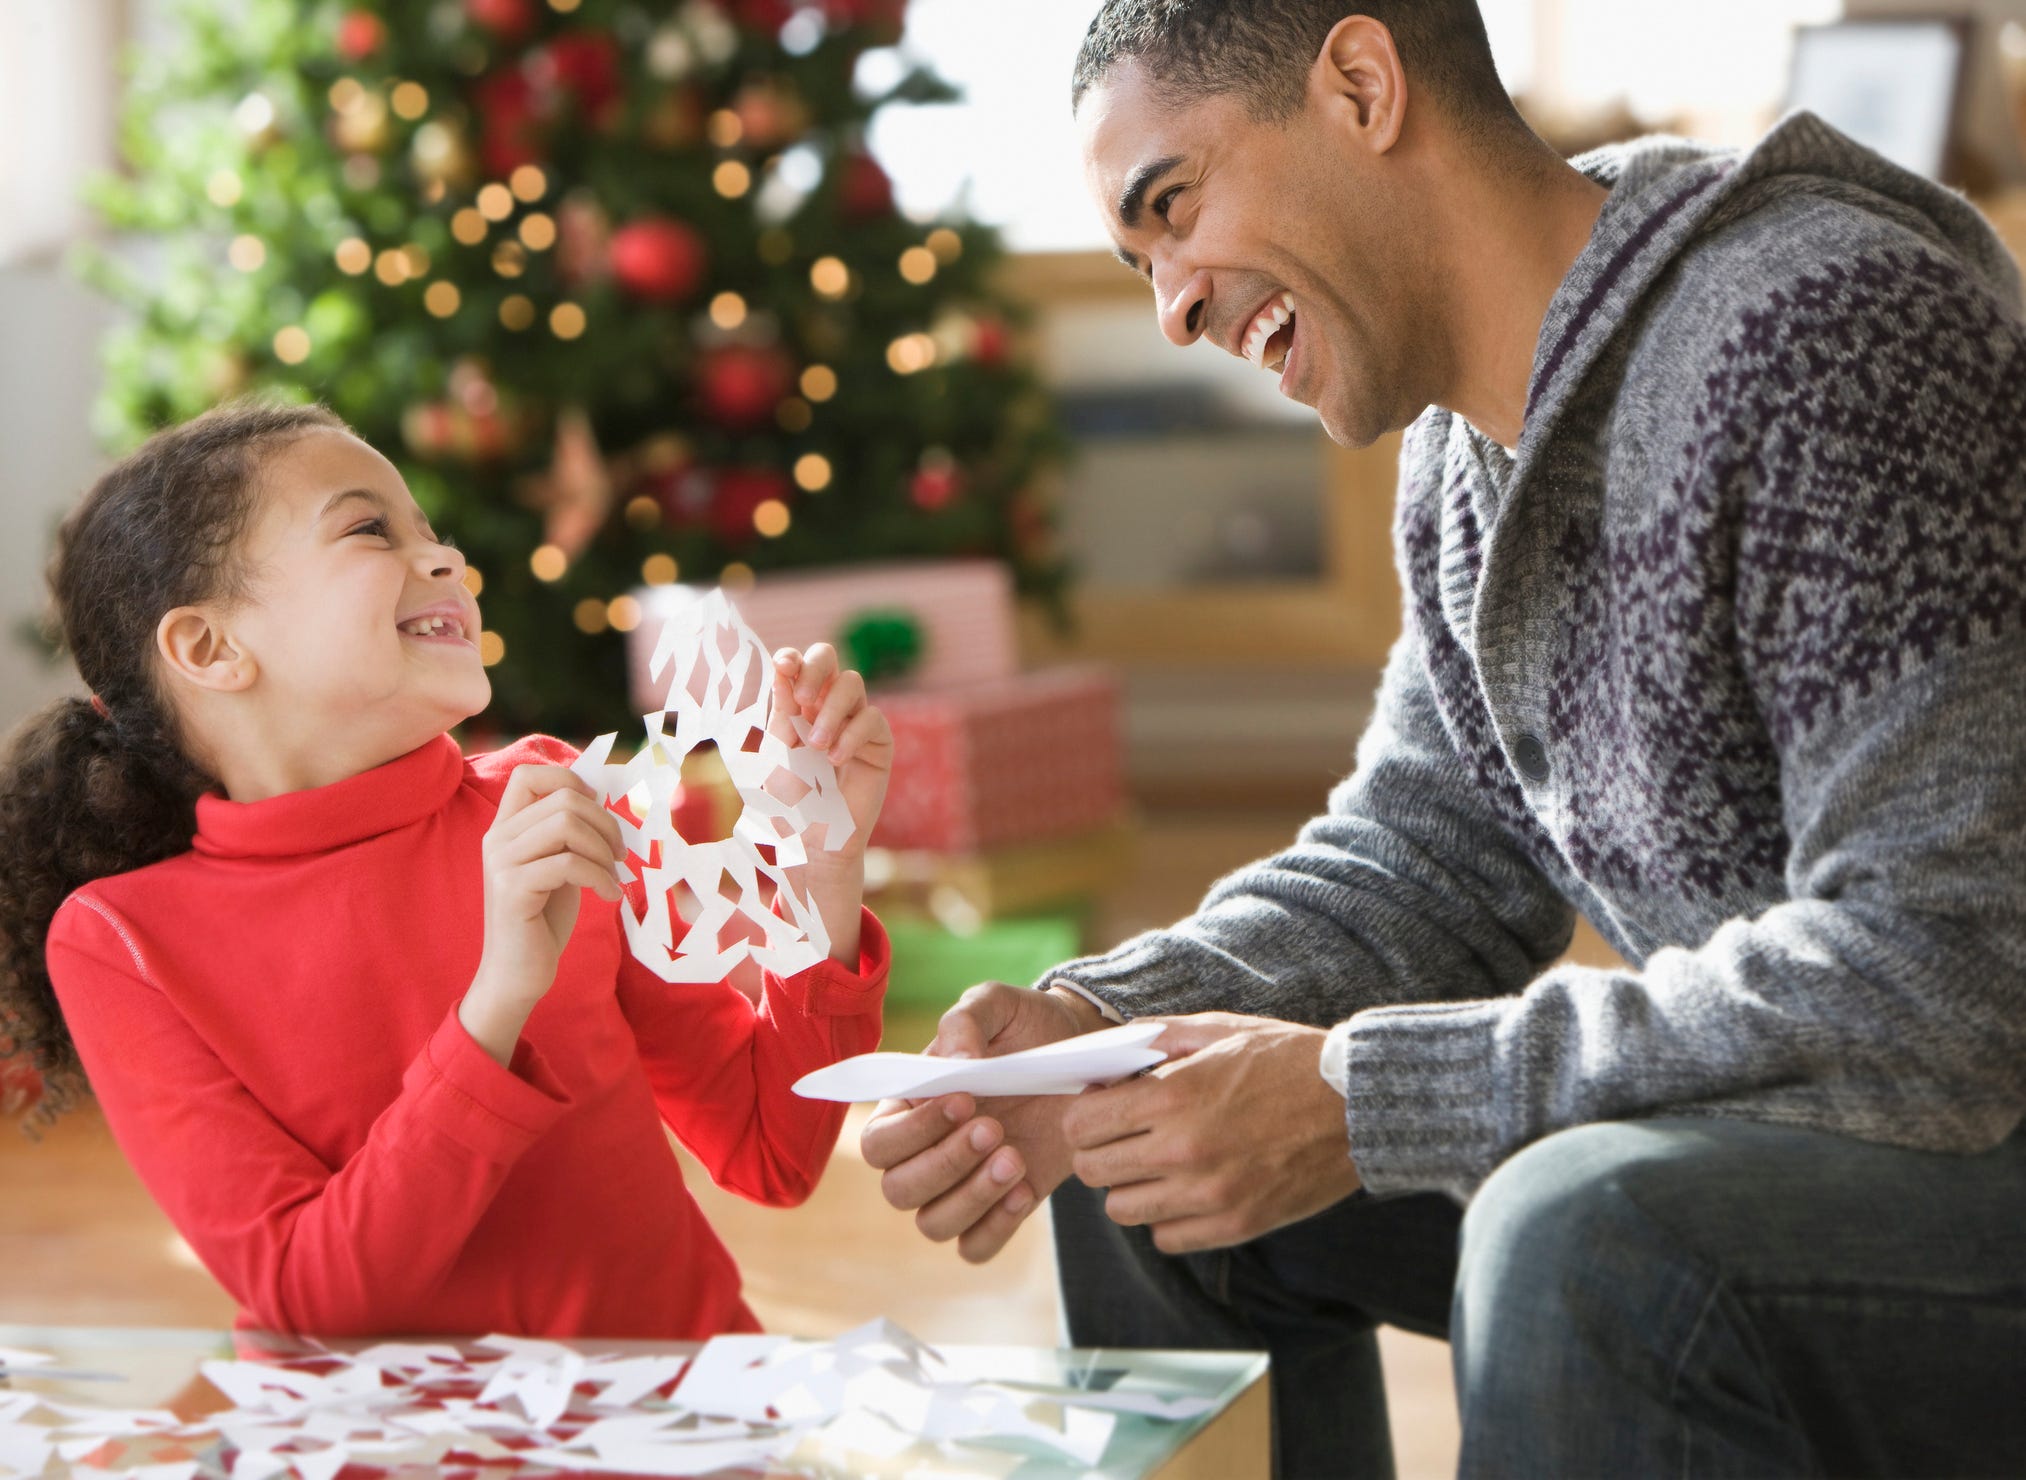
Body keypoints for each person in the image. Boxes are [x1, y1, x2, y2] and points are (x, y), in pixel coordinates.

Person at [862, 1, 2026, 1475]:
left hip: (1984, 1134)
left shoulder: (1826, 332)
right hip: (1832, 1116)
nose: (1169, 306)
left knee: (1587, 1236)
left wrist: (1363, 1095)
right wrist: (1099, 1021)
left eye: (1173, 206)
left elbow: (1949, 978)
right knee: (1146, 1137)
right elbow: (1427, 863)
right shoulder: (1466, 458)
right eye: (1136, 260)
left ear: (1359, 84)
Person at [0, 399, 895, 1340]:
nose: (445, 560)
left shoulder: (553, 803)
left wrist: (822, 867)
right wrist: (497, 1003)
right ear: (209, 649)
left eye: (433, 533)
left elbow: (773, 1152)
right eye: (368, 529)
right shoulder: (122, 944)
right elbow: (315, 1298)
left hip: (682, 1426)